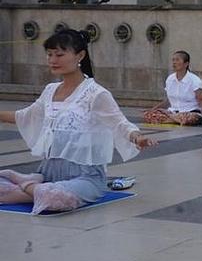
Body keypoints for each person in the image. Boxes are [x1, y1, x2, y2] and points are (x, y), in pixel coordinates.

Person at [0, 29, 157, 214]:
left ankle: (26, 185)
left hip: (86, 177)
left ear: (80, 55)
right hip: (48, 173)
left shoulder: (95, 93)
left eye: (59, 54)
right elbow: (24, 116)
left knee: (54, 198)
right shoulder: (50, 90)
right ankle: (33, 186)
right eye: (49, 54)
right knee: (42, 190)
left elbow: (119, 122)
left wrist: (136, 137)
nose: (52, 60)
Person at [142, 50, 202, 126]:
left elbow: (201, 99)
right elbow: (169, 100)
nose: (174, 62)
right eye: (173, 60)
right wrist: (153, 109)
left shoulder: (194, 80)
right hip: (172, 112)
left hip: (189, 112)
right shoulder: (170, 79)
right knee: (148, 115)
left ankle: (172, 119)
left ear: (186, 64)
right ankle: (175, 119)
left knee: (189, 118)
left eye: (177, 60)